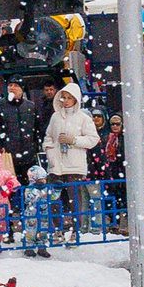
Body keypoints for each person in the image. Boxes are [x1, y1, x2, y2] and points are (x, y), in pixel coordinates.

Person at [40, 80, 99, 237]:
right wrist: (49, 149)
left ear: (76, 100)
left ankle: (76, 231)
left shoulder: (83, 118)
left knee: (75, 200)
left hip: (75, 165)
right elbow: (48, 136)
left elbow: (93, 139)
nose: (65, 101)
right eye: (63, 97)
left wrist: (74, 140)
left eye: (68, 98)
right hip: (56, 165)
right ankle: (57, 230)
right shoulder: (55, 117)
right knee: (53, 200)